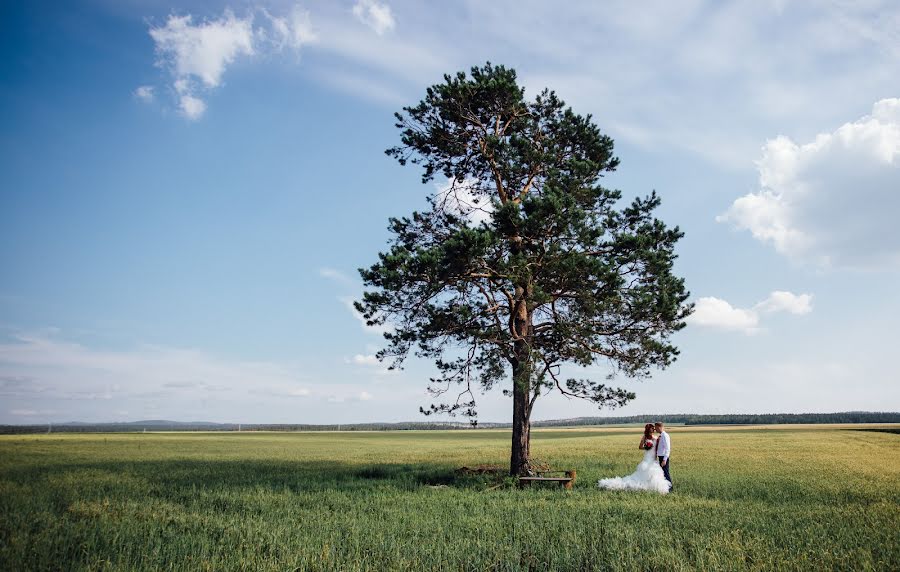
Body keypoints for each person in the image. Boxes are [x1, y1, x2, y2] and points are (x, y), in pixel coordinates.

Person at [597, 423, 671, 493]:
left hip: (653, 458)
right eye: (652, 428)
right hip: (647, 456)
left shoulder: (656, 437)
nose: (654, 429)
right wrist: (646, 447)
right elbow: (640, 447)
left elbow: (659, 447)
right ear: (648, 429)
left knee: (654, 473)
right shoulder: (644, 437)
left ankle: (654, 487)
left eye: (654, 428)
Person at [654, 421, 673, 491]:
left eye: (656, 428)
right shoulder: (661, 435)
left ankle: (670, 489)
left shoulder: (665, 436)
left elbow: (668, 448)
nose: (655, 430)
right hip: (661, 457)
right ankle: (665, 489)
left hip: (664, 458)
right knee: (663, 473)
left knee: (666, 473)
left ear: (659, 427)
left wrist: (664, 460)